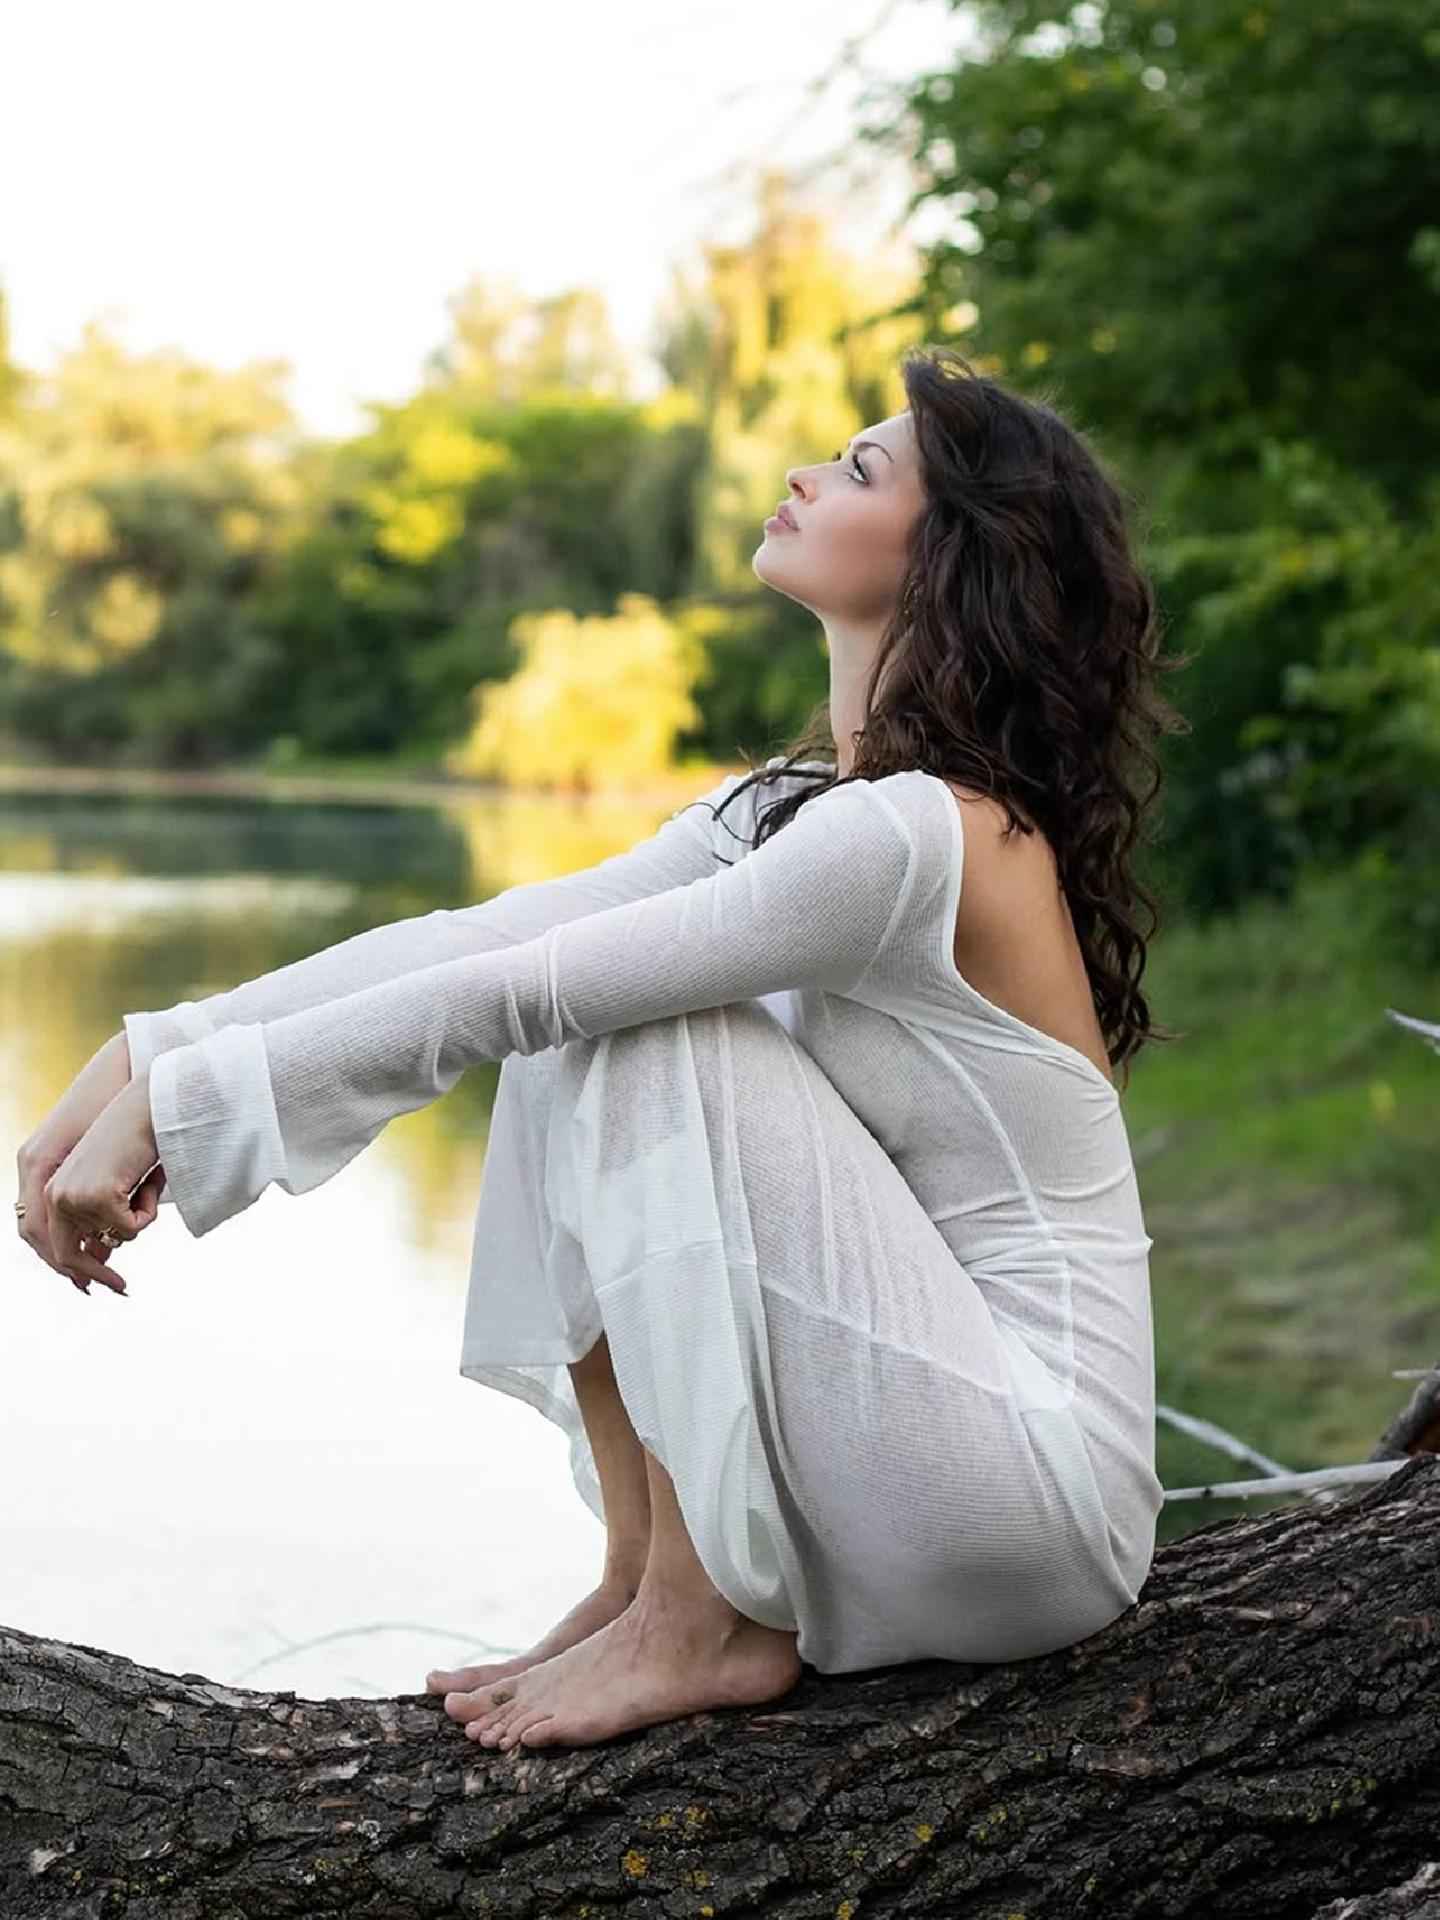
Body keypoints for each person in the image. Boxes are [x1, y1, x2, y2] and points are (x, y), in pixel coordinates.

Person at [15, 346, 1187, 1755]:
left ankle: (703, 1619)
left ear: (952, 561)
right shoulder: (803, 811)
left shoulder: (914, 833)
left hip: (1032, 1497)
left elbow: (531, 991)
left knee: (628, 1019)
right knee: (569, 1003)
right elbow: (479, 939)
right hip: (947, 1472)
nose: (808, 472)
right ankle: (647, 1581)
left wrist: (186, 1110)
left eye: (864, 470)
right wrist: (158, 1043)